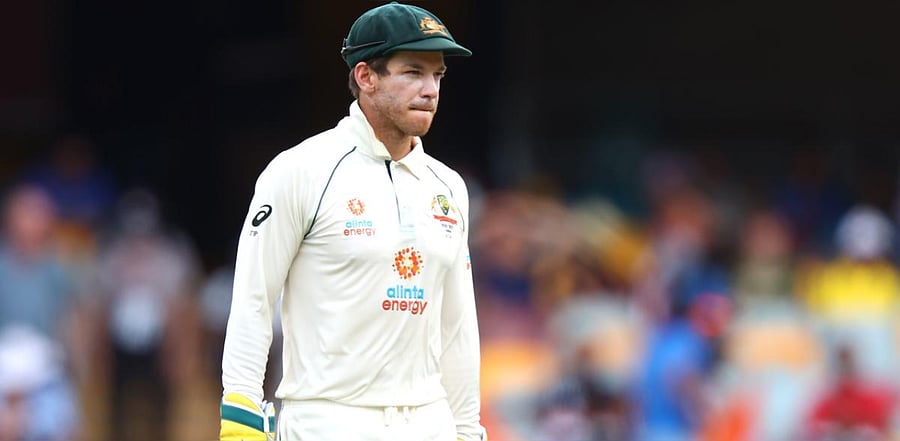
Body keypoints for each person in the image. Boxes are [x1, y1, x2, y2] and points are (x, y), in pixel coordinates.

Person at [219, 2, 485, 441]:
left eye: (437, 75)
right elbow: (253, 300)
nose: (430, 90)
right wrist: (241, 416)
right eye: (412, 71)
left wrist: (466, 428)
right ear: (366, 77)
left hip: (428, 422)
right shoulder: (300, 170)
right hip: (328, 420)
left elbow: (457, 325)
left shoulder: (449, 187)